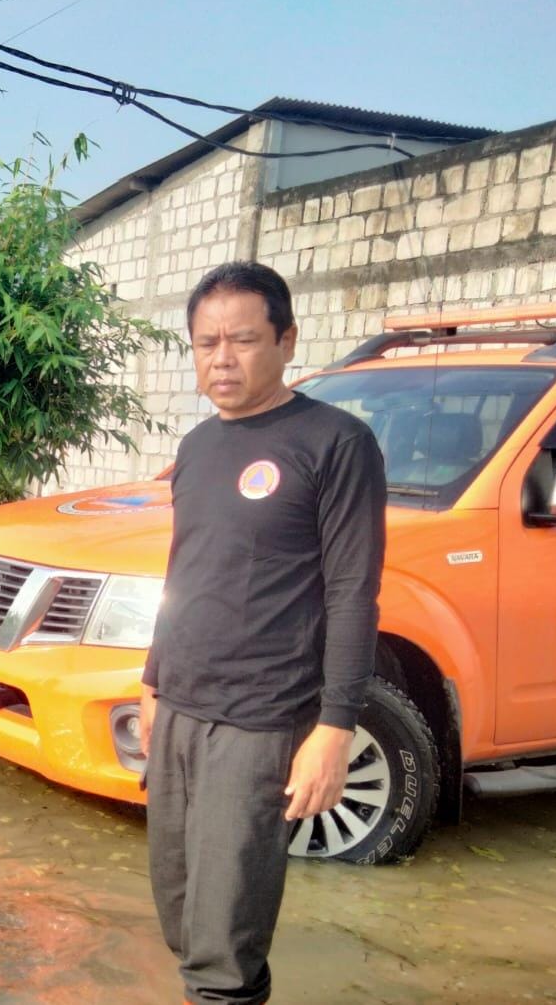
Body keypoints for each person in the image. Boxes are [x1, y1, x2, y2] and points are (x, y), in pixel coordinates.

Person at [140, 261, 386, 1005]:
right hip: (179, 707)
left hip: (258, 721)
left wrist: (334, 728)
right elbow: (186, 570)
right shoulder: (198, 447)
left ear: (286, 340)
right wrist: (152, 678)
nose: (222, 357)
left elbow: (353, 592)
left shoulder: (334, 443)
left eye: (243, 339)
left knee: (224, 945)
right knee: (183, 915)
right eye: (206, 341)